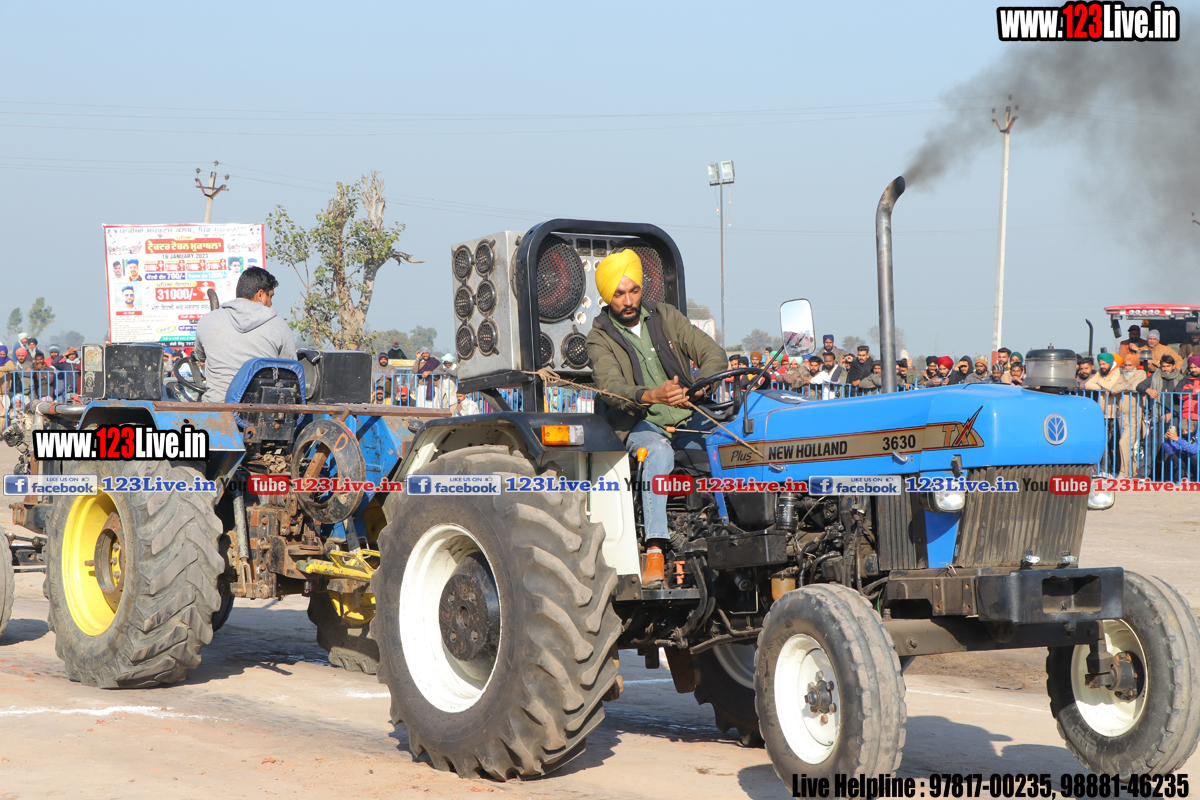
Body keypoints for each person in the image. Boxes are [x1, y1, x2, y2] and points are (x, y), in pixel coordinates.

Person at [585, 247, 727, 587]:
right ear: (606, 297)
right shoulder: (599, 337)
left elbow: (713, 353)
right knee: (658, 450)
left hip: (688, 416)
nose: (628, 300)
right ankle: (655, 549)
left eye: (634, 291)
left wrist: (696, 390)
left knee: (730, 442)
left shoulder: (666, 316)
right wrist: (652, 395)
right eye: (619, 294)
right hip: (639, 424)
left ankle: (729, 530)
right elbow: (611, 388)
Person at [193, 267, 297, 403]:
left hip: (216, 408)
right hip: (261, 410)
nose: (271, 303)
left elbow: (200, 356)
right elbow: (290, 369)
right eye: (270, 296)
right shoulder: (279, 325)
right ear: (260, 294)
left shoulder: (206, 321)